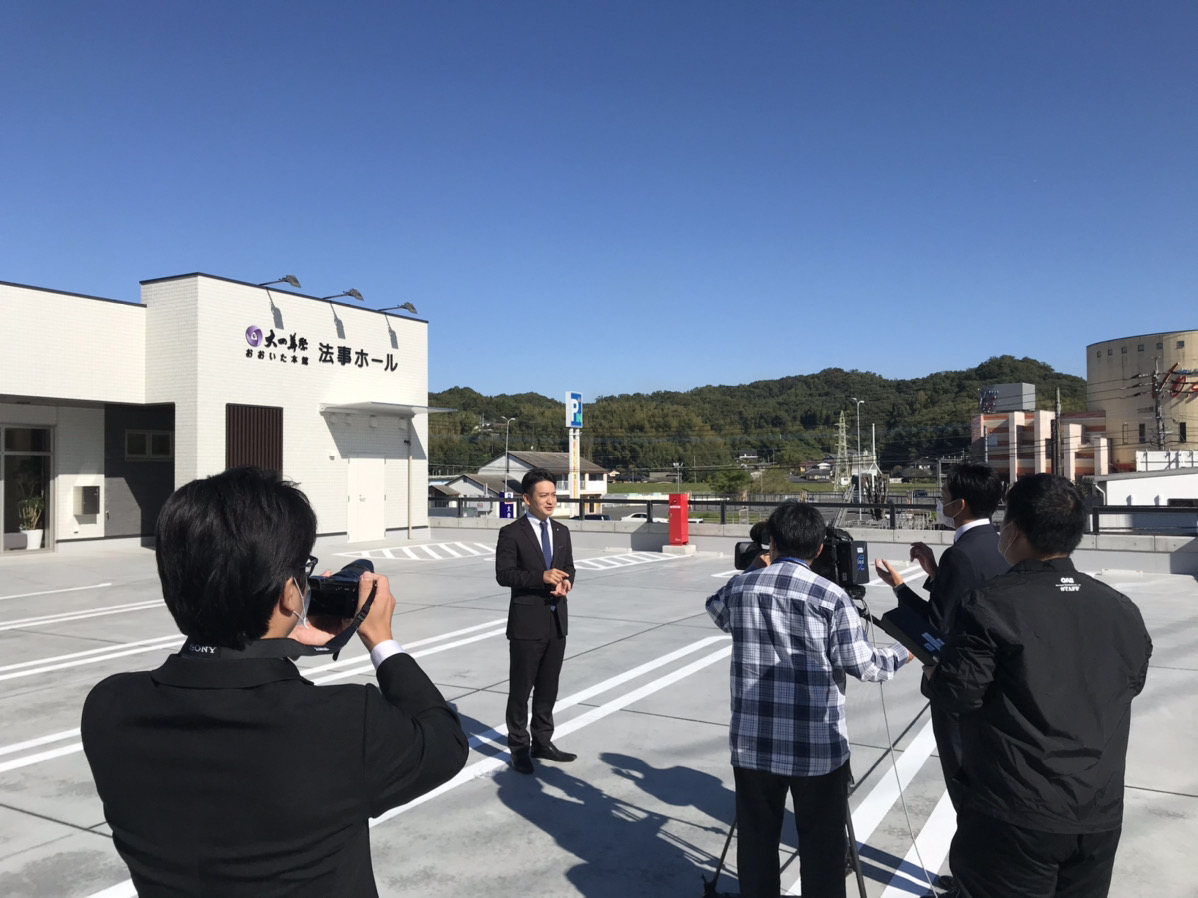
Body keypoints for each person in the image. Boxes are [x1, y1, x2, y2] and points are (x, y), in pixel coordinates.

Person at [81, 466, 469, 898]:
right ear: (290, 593)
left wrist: (277, 636)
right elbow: (444, 744)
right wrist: (381, 641)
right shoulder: (343, 722)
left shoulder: (110, 707)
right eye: (304, 570)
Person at [924, 474, 1152, 898]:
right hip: (1098, 814)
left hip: (1015, 813)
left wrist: (934, 674)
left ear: (1014, 530)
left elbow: (958, 693)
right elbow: (1130, 683)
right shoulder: (1121, 609)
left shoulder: (991, 605)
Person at [706, 501, 912, 898]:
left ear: (773, 541)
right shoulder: (831, 596)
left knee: (756, 843)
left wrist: (758, 565)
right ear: (820, 549)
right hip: (817, 749)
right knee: (823, 848)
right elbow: (867, 667)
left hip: (752, 746)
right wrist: (906, 651)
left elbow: (716, 610)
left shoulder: (743, 586)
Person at [873, 463, 1008, 895]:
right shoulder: (1000, 543)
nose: (941, 498)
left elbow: (935, 626)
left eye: (945, 492)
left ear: (960, 503)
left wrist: (898, 587)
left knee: (964, 789)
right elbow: (971, 600)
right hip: (1000, 685)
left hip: (960, 689)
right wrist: (935, 574)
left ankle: (970, 885)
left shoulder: (961, 554)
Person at [495, 466, 577, 774]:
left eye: (554, 494)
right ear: (526, 499)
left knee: (548, 687)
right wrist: (540, 577)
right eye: (543, 496)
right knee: (521, 688)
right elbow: (504, 575)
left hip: (556, 620)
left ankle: (543, 741)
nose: (551, 501)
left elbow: (568, 566)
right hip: (526, 623)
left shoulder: (561, 532)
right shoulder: (511, 533)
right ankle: (519, 747)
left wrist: (566, 581)